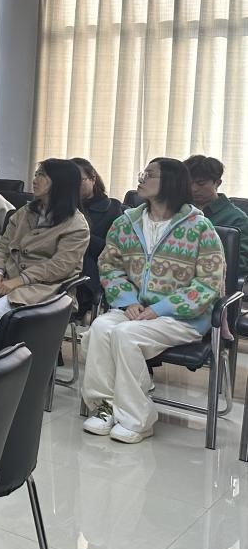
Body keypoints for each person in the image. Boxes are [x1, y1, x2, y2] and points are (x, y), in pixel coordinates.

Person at [82, 158, 226, 443]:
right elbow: (109, 266)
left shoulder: (200, 227)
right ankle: (105, 407)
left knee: (126, 334)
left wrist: (160, 309)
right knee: (100, 328)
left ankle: (137, 419)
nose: (142, 178)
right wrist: (127, 300)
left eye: (150, 174)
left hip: (183, 317)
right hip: (135, 309)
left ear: (170, 182)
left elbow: (209, 282)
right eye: (143, 173)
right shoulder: (126, 222)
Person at [0, 159, 90, 321]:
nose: (34, 180)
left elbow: (60, 266)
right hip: (6, 280)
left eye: (42, 175)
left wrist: (19, 281)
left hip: (45, 288)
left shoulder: (76, 224)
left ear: (60, 183)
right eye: (36, 174)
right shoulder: (24, 212)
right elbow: (3, 246)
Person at [72, 157, 124, 314]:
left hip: (93, 267)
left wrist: (80, 235)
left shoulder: (112, 208)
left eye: (78, 180)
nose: (73, 185)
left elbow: (112, 250)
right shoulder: (63, 207)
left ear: (92, 178)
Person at [184, 155, 248, 273]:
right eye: (189, 183)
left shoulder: (237, 219)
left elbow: (240, 263)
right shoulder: (180, 211)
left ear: (217, 183)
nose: (194, 189)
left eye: (201, 184)